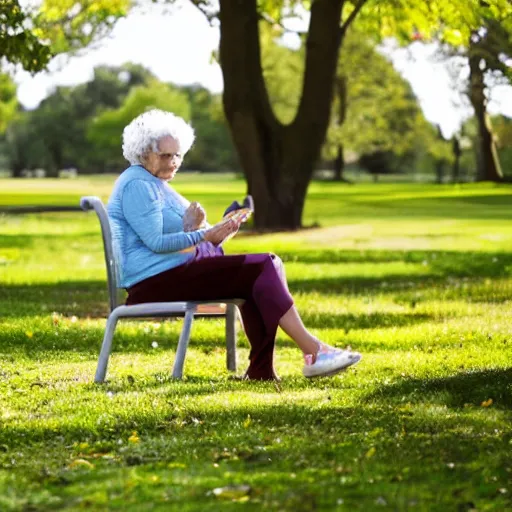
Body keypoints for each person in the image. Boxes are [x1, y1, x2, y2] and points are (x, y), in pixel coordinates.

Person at [107, 109, 361, 380]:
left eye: (177, 154)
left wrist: (219, 231)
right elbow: (156, 243)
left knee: (267, 268)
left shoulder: (155, 183)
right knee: (264, 266)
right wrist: (203, 235)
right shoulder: (137, 184)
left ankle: (262, 370)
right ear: (144, 152)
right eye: (165, 155)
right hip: (153, 283)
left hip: (173, 273)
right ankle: (312, 350)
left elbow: (181, 239)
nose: (173, 162)